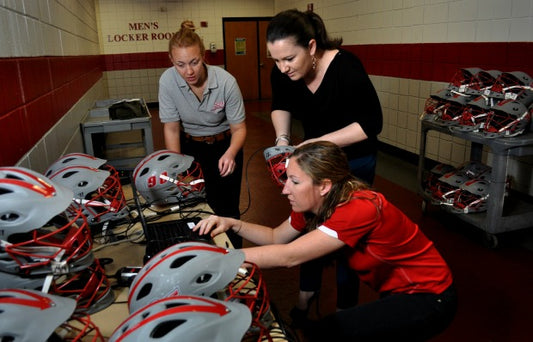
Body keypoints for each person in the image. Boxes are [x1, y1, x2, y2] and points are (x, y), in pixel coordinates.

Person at [194, 141, 457, 341]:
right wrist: (232, 223)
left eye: (295, 181)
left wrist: (219, 259)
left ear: (324, 186)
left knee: (331, 332)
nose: (285, 189)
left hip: (430, 296)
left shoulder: (360, 208)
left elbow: (289, 256)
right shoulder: (311, 202)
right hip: (398, 290)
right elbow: (276, 237)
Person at [266, 9, 383, 322]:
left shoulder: (346, 67)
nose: (282, 67)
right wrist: (282, 139)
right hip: (314, 160)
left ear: (312, 47)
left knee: (346, 236)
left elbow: (371, 124)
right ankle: (307, 295)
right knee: (309, 226)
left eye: (289, 58)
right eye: (275, 60)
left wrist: (320, 143)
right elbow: (280, 104)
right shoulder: (283, 72)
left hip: (354, 159)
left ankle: (346, 309)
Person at [158, 20, 246, 248]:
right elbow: (171, 128)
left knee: (227, 208)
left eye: (194, 62)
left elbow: (239, 128)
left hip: (225, 146)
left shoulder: (226, 82)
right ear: (171, 60)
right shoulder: (167, 81)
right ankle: (203, 256)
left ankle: (236, 261)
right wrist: (176, 167)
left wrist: (231, 153)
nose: (188, 71)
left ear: (204, 55)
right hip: (191, 149)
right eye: (180, 64)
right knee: (194, 204)